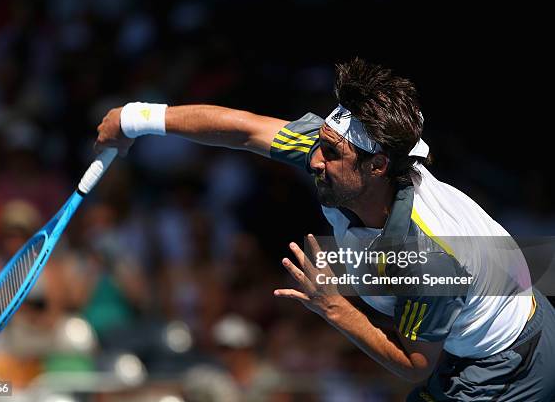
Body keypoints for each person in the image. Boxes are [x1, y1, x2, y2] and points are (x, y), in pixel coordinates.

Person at [94, 57, 555, 401]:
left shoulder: (425, 256)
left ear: (377, 166)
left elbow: (415, 364)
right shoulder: (347, 153)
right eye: (319, 146)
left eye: (331, 154)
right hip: (501, 315)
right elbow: (243, 130)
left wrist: (334, 307)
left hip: (506, 368)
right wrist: (135, 118)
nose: (314, 160)